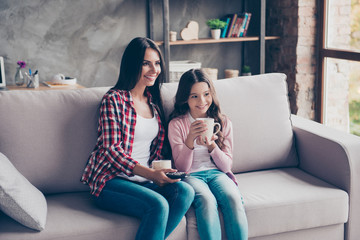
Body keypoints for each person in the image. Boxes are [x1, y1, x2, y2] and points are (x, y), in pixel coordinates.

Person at [81, 37, 194, 240]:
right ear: (133, 64)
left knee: (185, 192)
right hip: (110, 180)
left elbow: (155, 151)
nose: (154, 69)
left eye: (157, 63)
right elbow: (111, 150)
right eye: (146, 63)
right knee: (158, 205)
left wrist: (163, 172)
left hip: (144, 179)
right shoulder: (113, 100)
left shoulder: (154, 103)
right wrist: (151, 174)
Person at [168, 69, 248, 240]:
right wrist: (190, 139)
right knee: (206, 200)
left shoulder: (223, 122)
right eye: (194, 96)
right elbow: (181, 168)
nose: (202, 101)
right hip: (191, 176)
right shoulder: (177, 124)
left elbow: (226, 166)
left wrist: (212, 145)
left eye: (206, 94)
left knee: (232, 197)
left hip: (217, 173)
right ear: (185, 98)